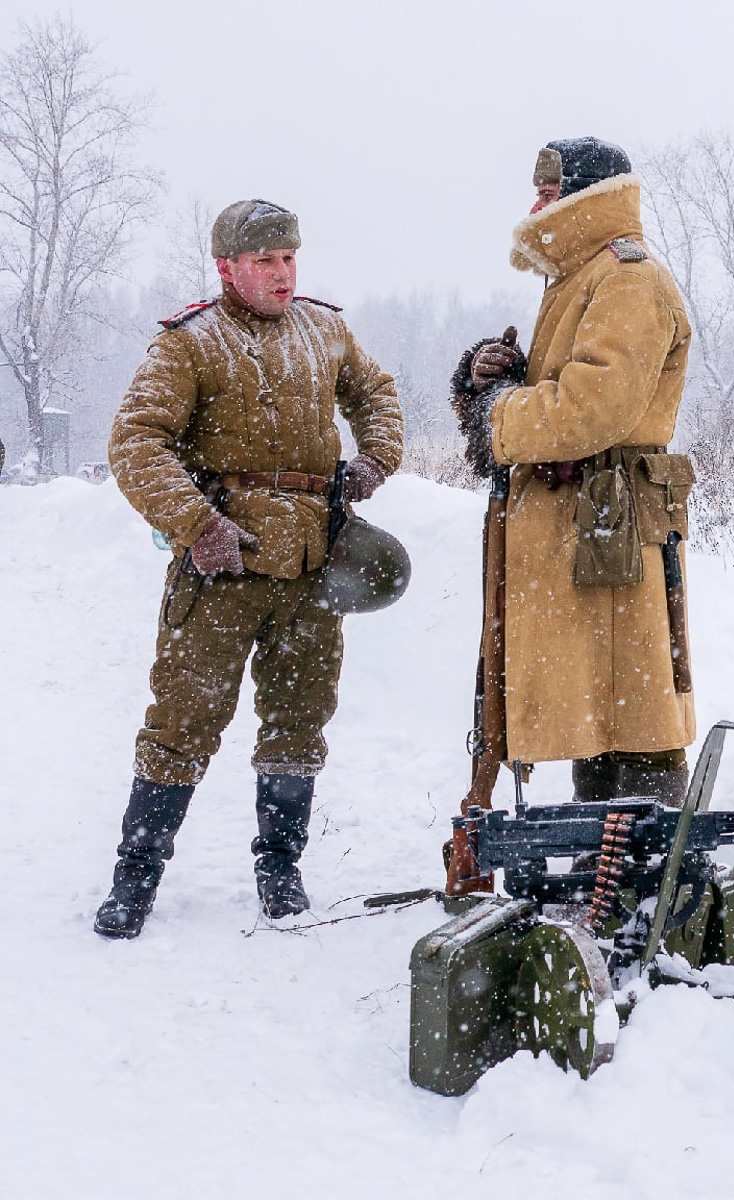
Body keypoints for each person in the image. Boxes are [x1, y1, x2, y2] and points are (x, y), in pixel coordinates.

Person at [95, 199, 403, 938]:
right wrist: (197, 525)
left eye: (288, 258)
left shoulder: (325, 329)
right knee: (182, 721)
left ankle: (280, 868)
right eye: (264, 261)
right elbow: (137, 441)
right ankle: (136, 875)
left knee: (299, 720)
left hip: (312, 569)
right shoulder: (191, 342)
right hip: (220, 569)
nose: (281, 273)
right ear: (227, 267)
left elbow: (377, 394)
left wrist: (375, 457)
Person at [451, 137, 697, 822]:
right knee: (605, 702)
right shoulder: (586, 276)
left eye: (549, 193)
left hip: (609, 522)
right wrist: (500, 376)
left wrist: (498, 412)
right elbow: (571, 388)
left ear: (587, 197)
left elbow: (592, 407)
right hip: (591, 521)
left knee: (632, 706)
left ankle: (651, 867)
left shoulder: (626, 278)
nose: (535, 208)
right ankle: (606, 863)